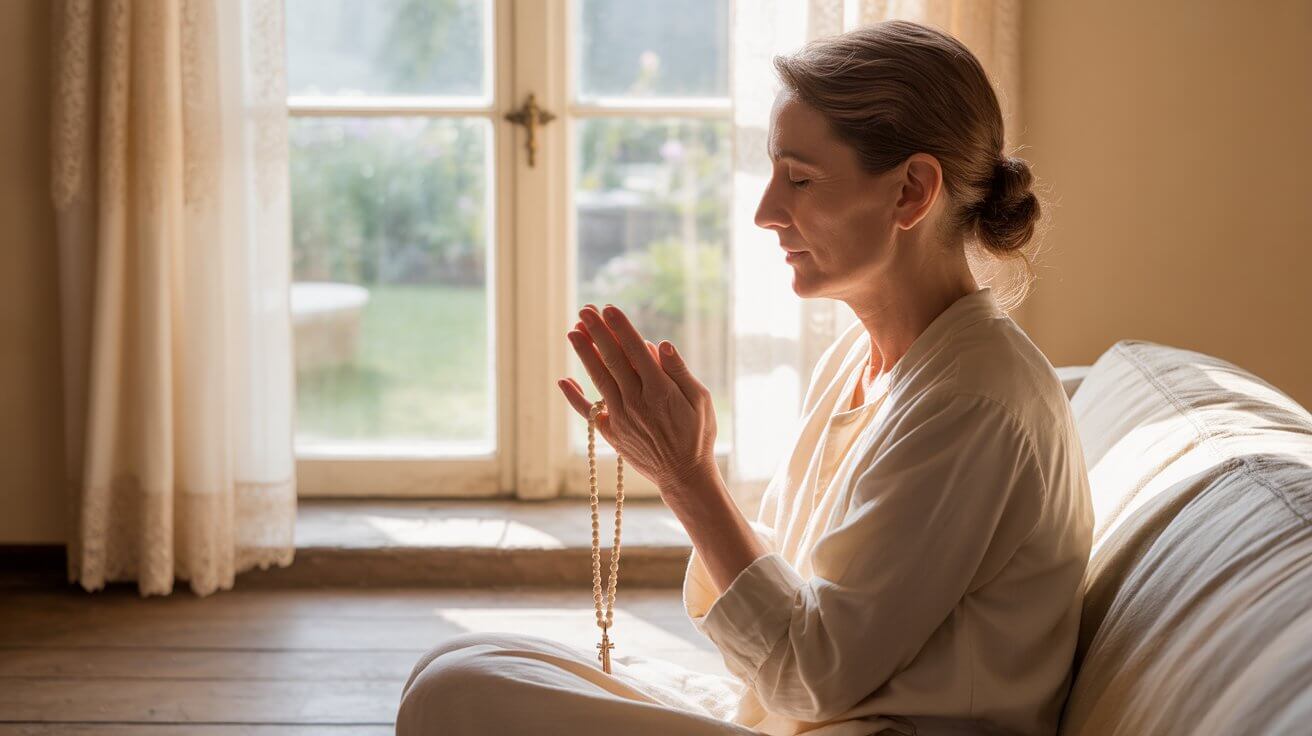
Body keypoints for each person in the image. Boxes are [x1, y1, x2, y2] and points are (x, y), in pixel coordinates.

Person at [396, 19, 1094, 736]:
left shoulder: (973, 401)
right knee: (463, 661)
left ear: (911, 192)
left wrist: (687, 478)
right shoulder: (860, 360)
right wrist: (676, 468)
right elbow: (797, 624)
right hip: (787, 720)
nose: (766, 212)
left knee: (457, 694)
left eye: (799, 178)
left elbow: (807, 676)